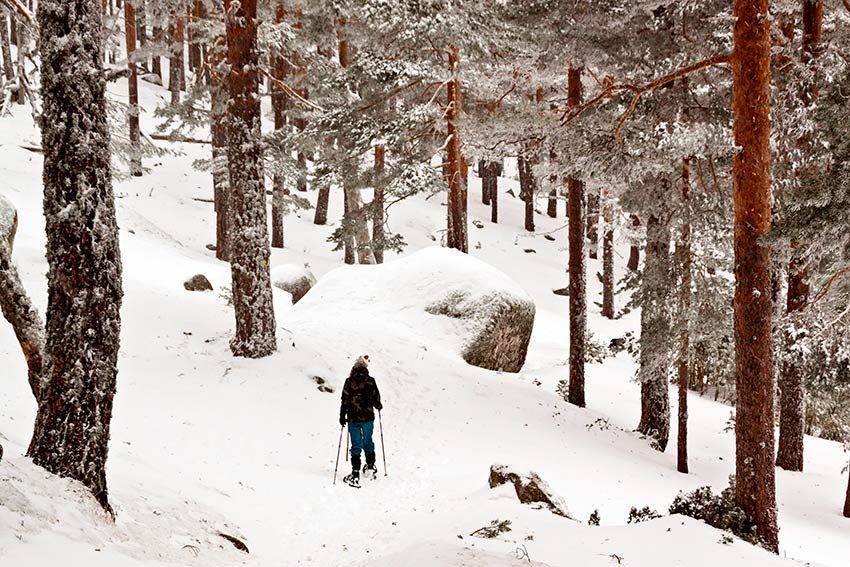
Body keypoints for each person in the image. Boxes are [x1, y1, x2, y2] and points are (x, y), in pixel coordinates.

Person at [339, 355, 382, 486]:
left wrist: (342, 415)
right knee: (368, 441)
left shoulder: (349, 381)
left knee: (356, 445)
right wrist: (378, 405)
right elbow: (376, 399)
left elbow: (344, 400)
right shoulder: (371, 381)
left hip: (353, 418)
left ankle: (355, 473)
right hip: (368, 418)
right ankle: (370, 466)